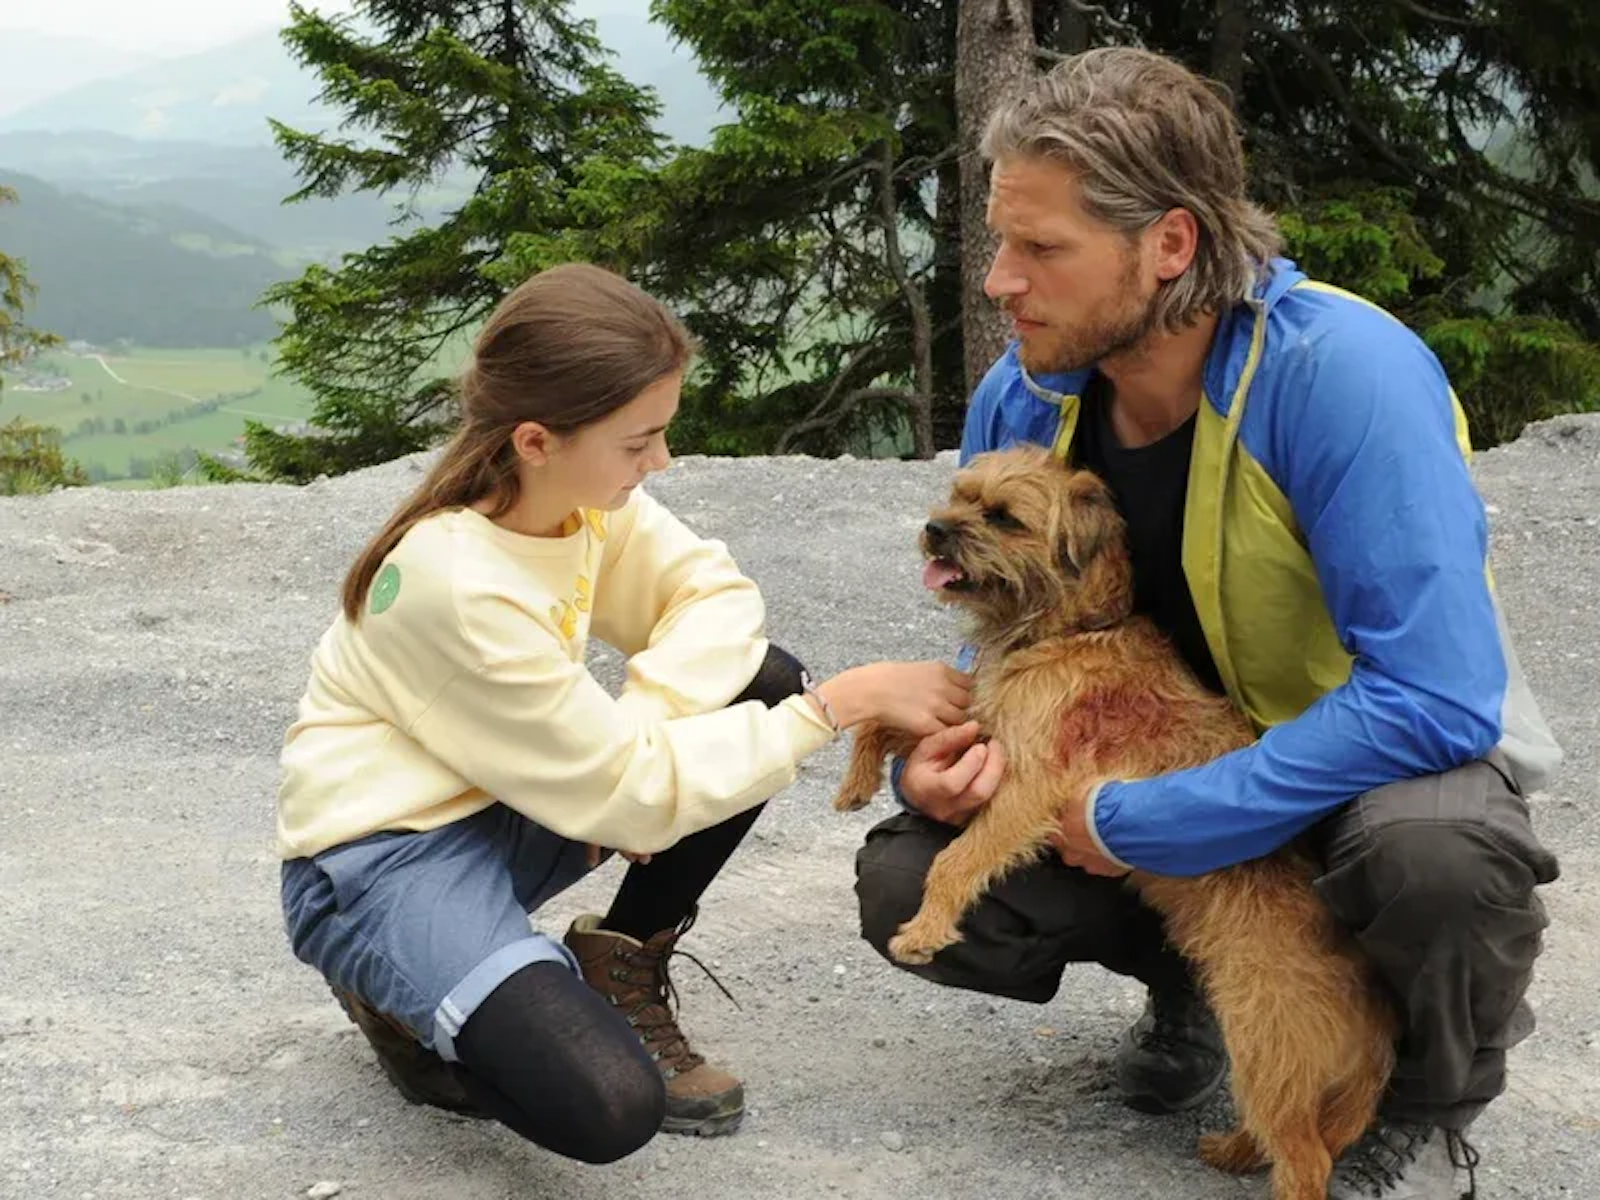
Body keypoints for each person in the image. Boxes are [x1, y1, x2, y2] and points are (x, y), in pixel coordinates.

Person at [853, 47, 1564, 1200]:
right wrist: (943, 765)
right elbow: (1007, 622)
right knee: (911, 879)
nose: (998, 282)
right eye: (999, 243)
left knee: (1434, 860)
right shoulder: (1029, 391)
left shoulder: (1343, 376)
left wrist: (1162, 818)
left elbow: (1435, 695)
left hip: (1363, 760)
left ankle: (1423, 1108)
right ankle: (1201, 987)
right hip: (1151, 746)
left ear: (1168, 245)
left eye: (1040, 249)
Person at [275, 262, 971, 1164]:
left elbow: (712, 593)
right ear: (536, 438)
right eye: (638, 442)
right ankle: (394, 990)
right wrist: (840, 705)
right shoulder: (454, 584)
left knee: (760, 681)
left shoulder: (576, 499)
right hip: (383, 863)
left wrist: (645, 741)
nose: (660, 464)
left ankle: (616, 956)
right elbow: (625, 795)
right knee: (608, 1107)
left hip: (516, 802)